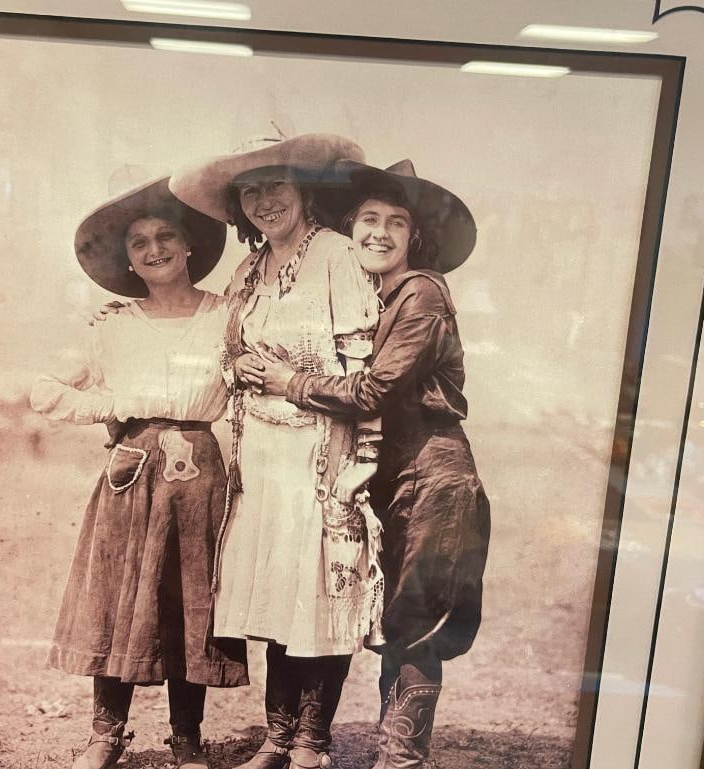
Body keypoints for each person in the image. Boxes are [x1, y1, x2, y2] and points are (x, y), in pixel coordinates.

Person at [253, 160, 491, 769]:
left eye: (397, 222)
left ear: (416, 238)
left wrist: (290, 381)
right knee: (386, 616)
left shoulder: (422, 292)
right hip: (386, 475)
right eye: (368, 219)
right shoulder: (370, 299)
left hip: (435, 473)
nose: (380, 232)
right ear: (350, 228)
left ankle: (400, 758)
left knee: (417, 620)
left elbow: (372, 391)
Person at [169, 133, 384, 769]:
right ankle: (277, 739)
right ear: (238, 205)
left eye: (276, 184)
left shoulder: (338, 256)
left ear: (303, 188)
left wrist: (363, 462)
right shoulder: (249, 270)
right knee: (277, 594)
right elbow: (222, 348)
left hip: (323, 450)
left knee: (319, 592)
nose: (265, 201)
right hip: (261, 454)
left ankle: (313, 742)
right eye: (251, 191)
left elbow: (363, 369)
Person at [30, 171, 248, 769]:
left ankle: (187, 739)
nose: (155, 249)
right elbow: (44, 390)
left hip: (201, 472)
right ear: (127, 258)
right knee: (120, 596)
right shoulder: (113, 325)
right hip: (131, 471)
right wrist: (115, 406)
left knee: (190, 601)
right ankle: (106, 734)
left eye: (165, 235)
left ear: (189, 245)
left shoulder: (228, 318)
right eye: (138, 242)